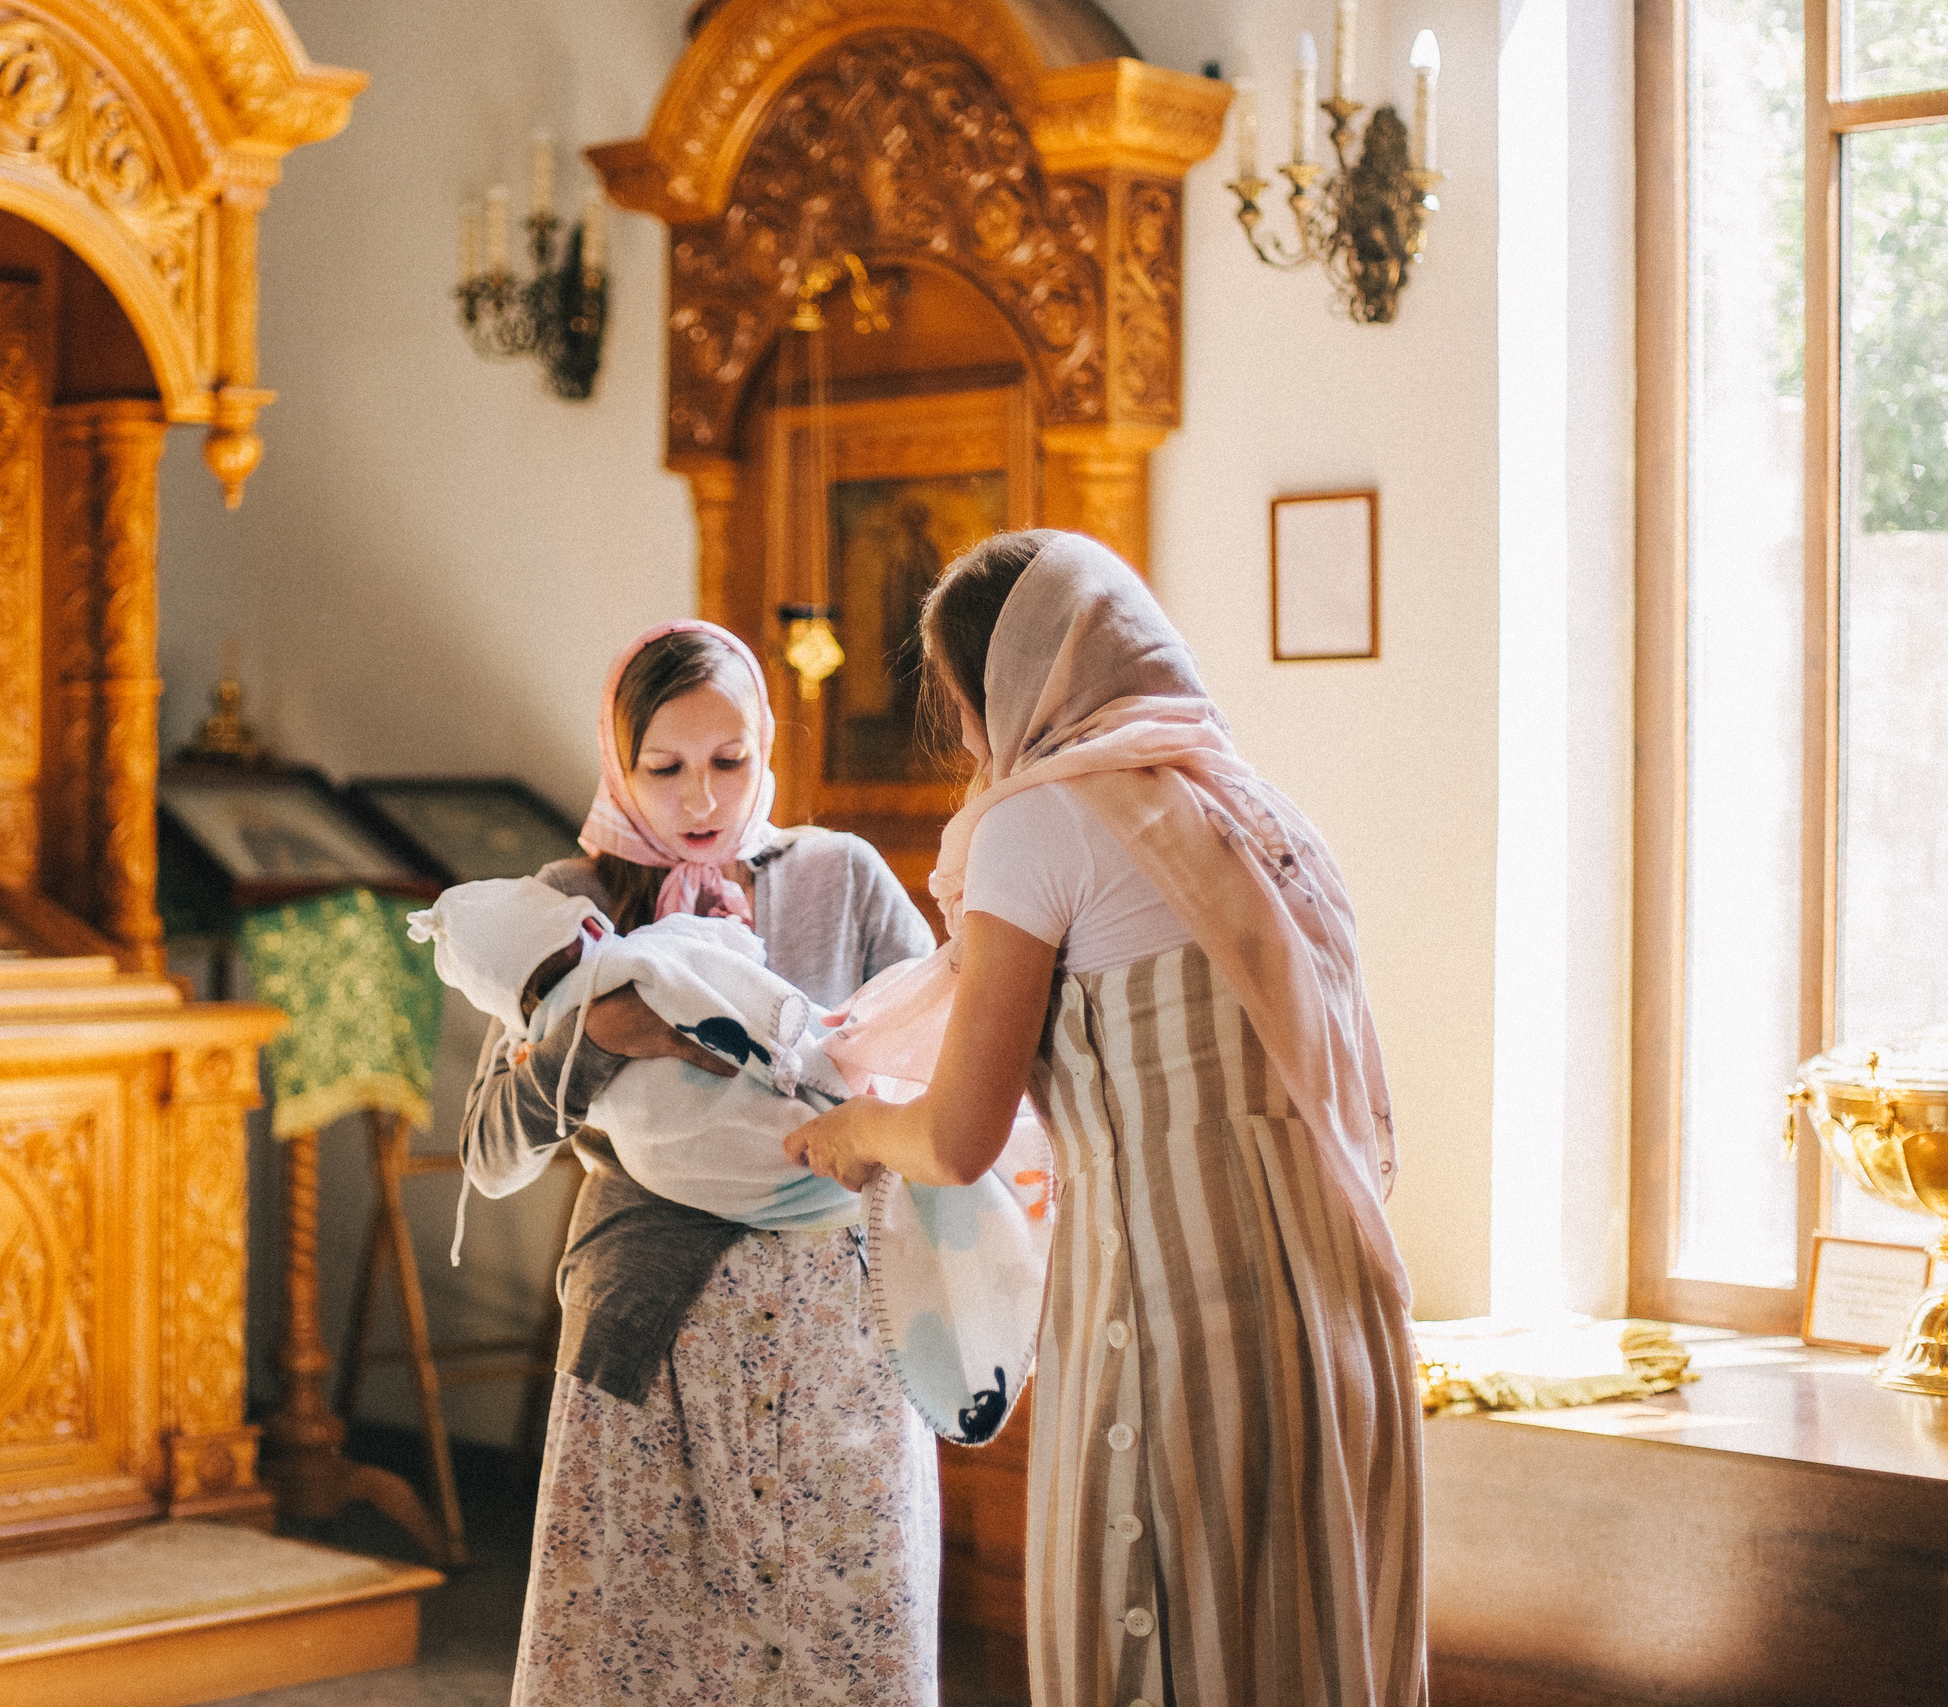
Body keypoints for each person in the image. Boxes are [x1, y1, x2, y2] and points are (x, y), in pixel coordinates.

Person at [787, 531, 1427, 1707]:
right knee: (1300, 1649)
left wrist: (854, 1134)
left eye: (960, 707)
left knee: (1169, 1653)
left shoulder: (1043, 824)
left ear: (1000, 692)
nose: (969, 743)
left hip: (1174, 1307)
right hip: (1337, 1298)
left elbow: (956, 1136)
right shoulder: (1252, 808)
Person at [462, 619, 940, 1704]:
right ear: (616, 764)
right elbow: (490, 1151)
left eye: (730, 762)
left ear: (768, 744)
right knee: (645, 1659)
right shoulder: (569, 905)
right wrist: (600, 1037)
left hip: (839, 1338)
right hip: (651, 1339)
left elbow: (945, 1066)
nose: (702, 801)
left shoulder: (840, 879)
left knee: (845, 1643)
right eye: (664, 768)